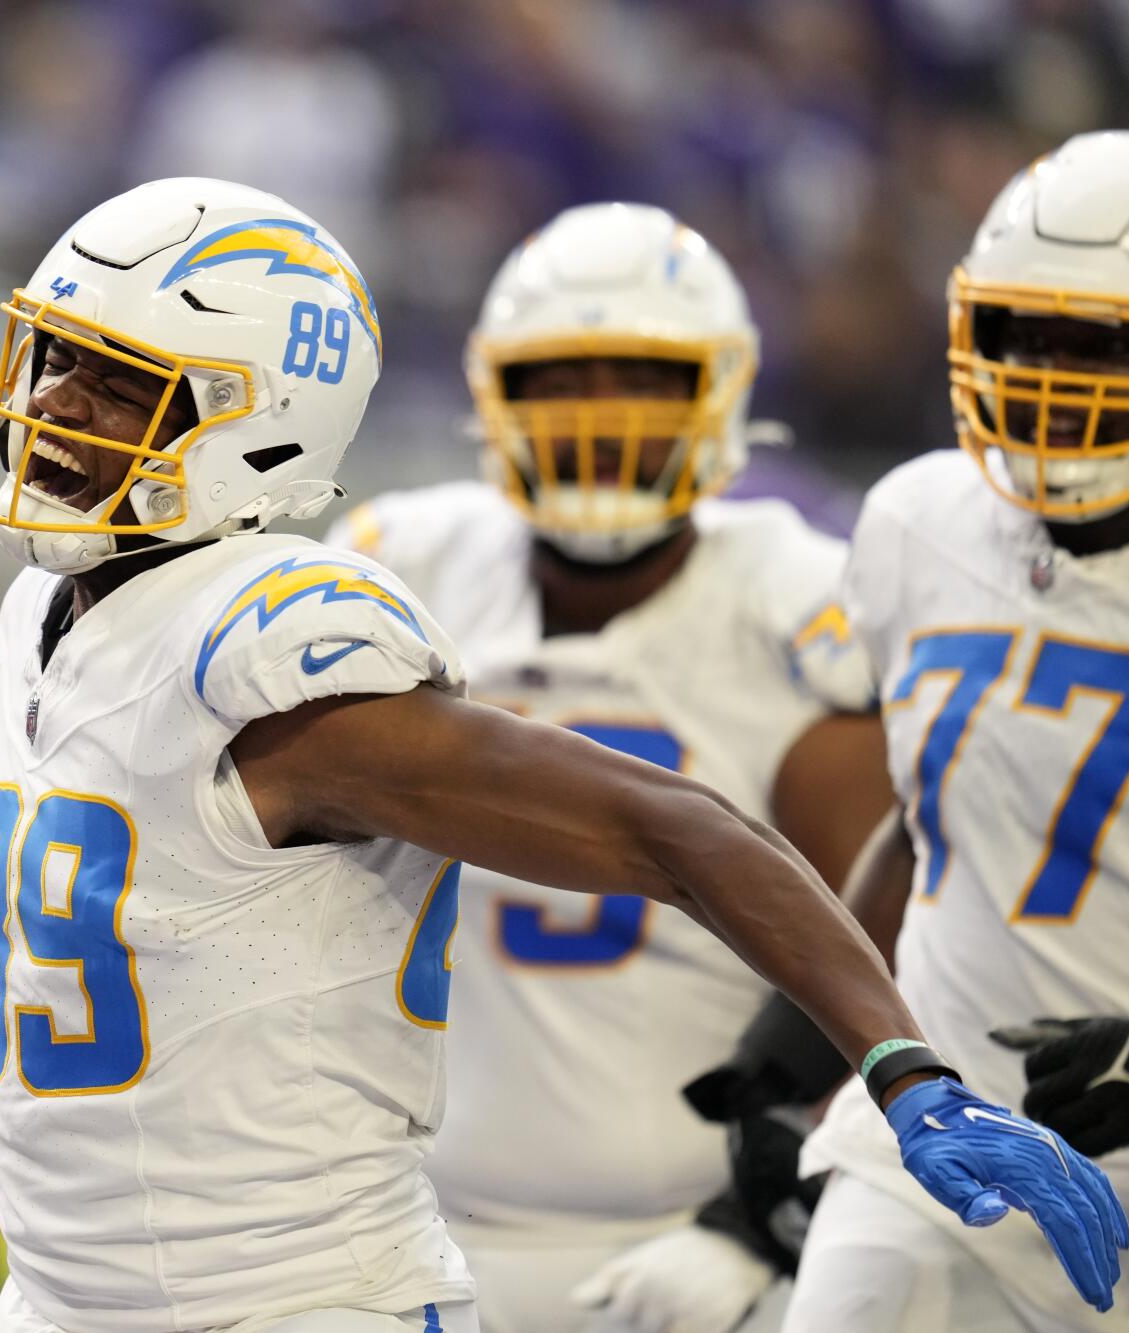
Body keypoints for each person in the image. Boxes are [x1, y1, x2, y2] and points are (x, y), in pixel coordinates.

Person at [0, 134, 1126, 1333]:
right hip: (65, 1302)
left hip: (299, 1302)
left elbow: (669, 825)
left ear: (255, 425)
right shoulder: (72, 607)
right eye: (52, 357)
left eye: (117, 384)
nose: (54, 400)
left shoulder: (275, 652)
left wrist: (901, 1069)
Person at [324, 203, 892, 1333]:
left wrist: (763, 1215)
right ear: (494, 393)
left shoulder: (802, 605)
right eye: (560, 379)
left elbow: (890, 951)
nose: (597, 416)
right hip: (407, 1229)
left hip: (697, 1241)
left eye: (637, 377)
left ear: (718, 394)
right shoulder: (400, 566)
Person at [770, 127, 1129, 1332]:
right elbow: (932, 813)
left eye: (1108, 344)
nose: (1056, 375)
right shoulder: (913, 519)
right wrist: (799, 1052)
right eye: (1028, 332)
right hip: (951, 1152)